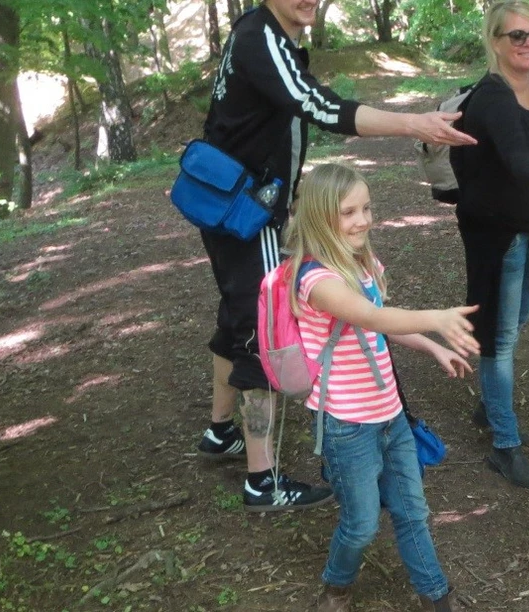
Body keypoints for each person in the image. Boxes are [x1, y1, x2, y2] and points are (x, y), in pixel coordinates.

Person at [191, 0, 475, 512]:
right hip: (245, 209)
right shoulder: (262, 38)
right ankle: (262, 480)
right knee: (264, 329)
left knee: (237, 313)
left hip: (236, 202)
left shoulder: (270, 36)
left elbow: (282, 117)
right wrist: (414, 124)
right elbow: (320, 107)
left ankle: (220, 431)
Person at [282, 163, 474, 612]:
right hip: (346, 424)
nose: (363, 220)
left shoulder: (360, 263)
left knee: (412, 512)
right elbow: (370, 317)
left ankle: (436, 595)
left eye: (366, 208)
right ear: (318, 217)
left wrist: (432, 347)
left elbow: (379, 323)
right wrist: (436, 318)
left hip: (389, 414)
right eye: (348, 212)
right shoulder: (316, 279)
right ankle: (337, 584)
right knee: (362, 523)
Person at [450, 1, 529, 489]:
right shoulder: (492, 98)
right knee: (499, 336)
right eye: (516, 36)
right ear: (495, 42)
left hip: (528, 224)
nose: (528, 43)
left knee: (519, 312)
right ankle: (505, 445)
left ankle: (490, 399)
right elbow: (517, 157)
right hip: (494, 232)